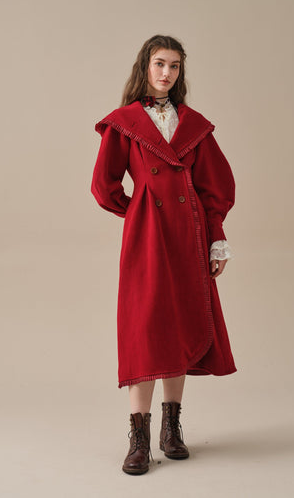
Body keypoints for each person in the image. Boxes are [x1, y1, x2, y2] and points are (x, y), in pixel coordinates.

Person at [91, 34, 236, 475]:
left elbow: (216, 187)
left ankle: (171, 430)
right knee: (146, 327)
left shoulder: (193, 124)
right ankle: (139, 439)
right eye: (159, 63)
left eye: (174, 66)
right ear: (145, 66)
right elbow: (103, 186)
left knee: (181, 324)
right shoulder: (124, 122)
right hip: (149, 238)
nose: (167, 73)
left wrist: (215, 238)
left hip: (188, 235)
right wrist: (139, 212)